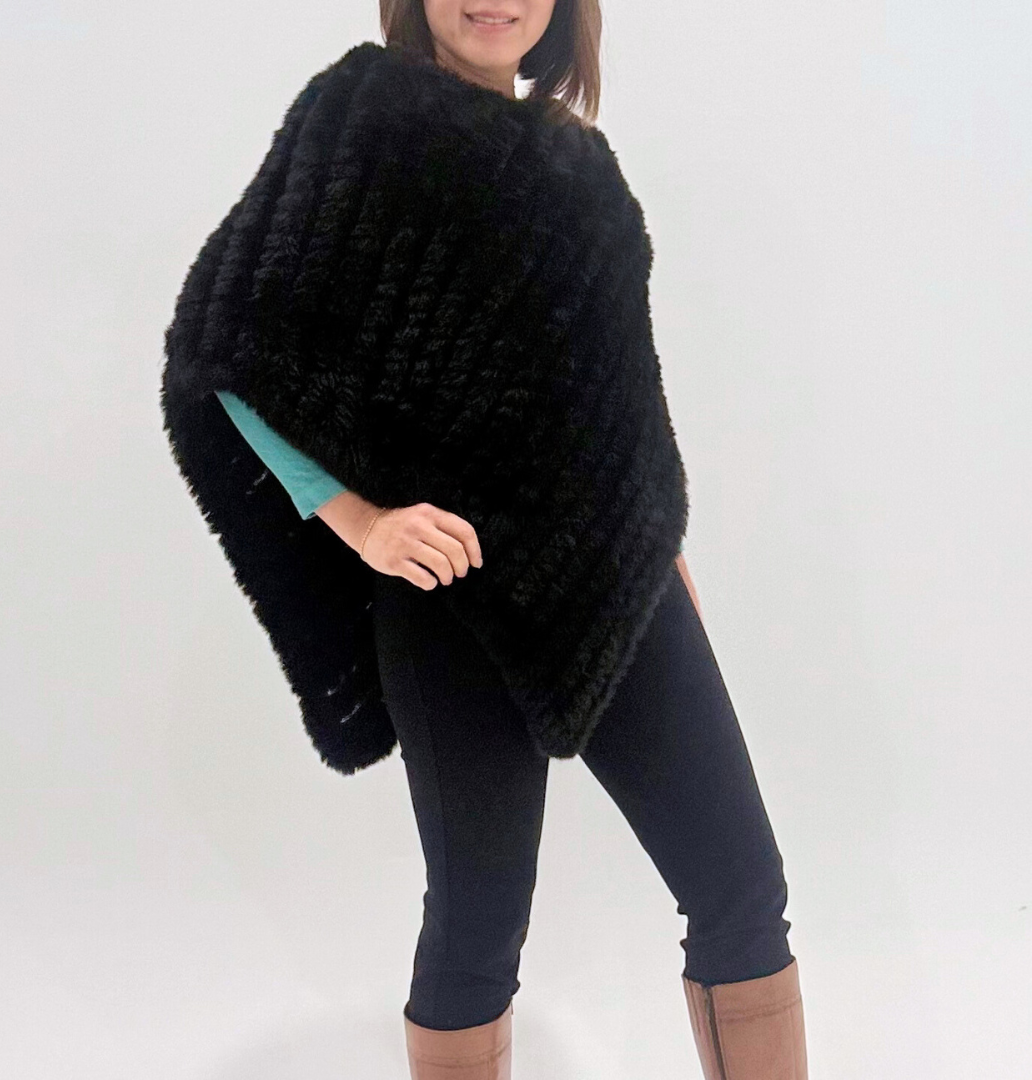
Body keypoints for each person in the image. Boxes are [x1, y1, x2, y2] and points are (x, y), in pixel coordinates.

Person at [163, 3, 809, 1077]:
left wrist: (661, 546)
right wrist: (362, 521)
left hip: (617, 583)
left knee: (742, 885)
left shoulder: (582, 168)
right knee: (479, 924)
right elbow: (229, 349)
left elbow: (618, 403)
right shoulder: (357, 118)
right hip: (448, 592)